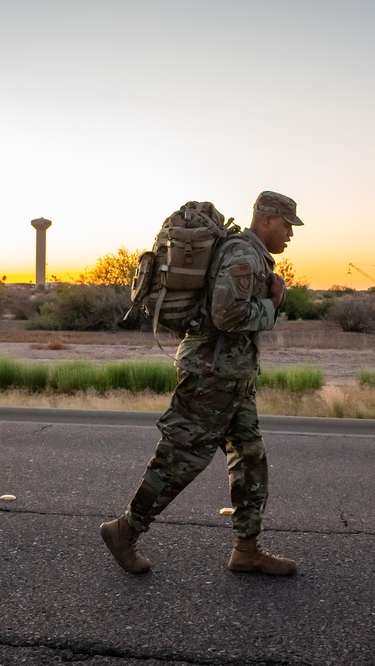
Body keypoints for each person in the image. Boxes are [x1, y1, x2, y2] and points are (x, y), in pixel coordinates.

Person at [100, 190, 303, 576]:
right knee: (181, 458)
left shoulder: (250, 254)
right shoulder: (243, 253)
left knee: (250, 458)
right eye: (286, 225)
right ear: (265, 220)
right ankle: (125, 529)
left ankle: (246, 548)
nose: (290, 234)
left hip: (232, 375)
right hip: (212, 375)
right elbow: (227, 315)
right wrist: (272, 305)